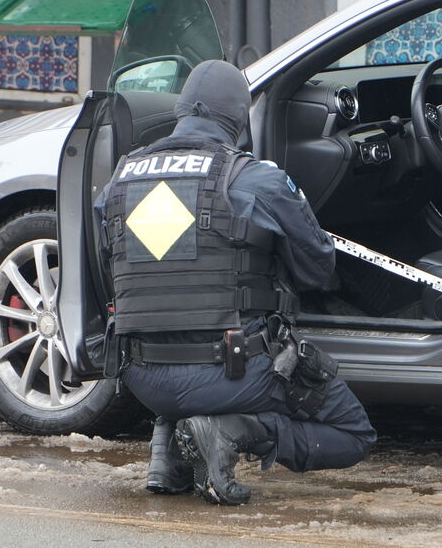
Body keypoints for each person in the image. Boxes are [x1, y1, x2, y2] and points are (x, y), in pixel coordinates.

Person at [95, 60, 376, 506]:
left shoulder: (118, 182)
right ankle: (233, 431)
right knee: (354, 432)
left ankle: (169, 457)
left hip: (142, 377)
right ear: (239, 118)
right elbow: (317, 269)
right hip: (231, 371)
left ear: (182, 108)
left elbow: (107, 275)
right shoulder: (256, 179)